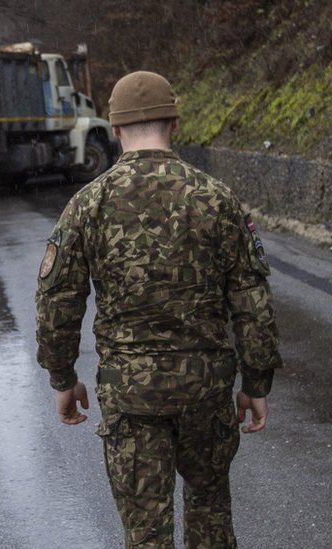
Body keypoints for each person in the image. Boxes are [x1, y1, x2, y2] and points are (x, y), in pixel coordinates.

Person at [34, 71, 282, 548]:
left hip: (131, 399)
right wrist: (255, 383)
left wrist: (63, 379)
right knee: (212, 515)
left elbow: (56, 298)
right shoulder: (217, 198)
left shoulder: (88, 204)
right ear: (175, 122)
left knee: (146, 534)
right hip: (206, 392)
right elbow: (252, 299)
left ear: (116, 129)